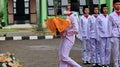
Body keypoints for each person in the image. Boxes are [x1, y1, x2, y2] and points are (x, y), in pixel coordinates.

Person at [108, 0, 120, 67]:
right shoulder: (111, 15)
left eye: (119, 4)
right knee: (115, 50)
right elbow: (109, 26)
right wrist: (110, 36)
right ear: (114, 5)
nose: (118, 5)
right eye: (117, 4)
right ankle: (116, 64)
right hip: (115, 33)